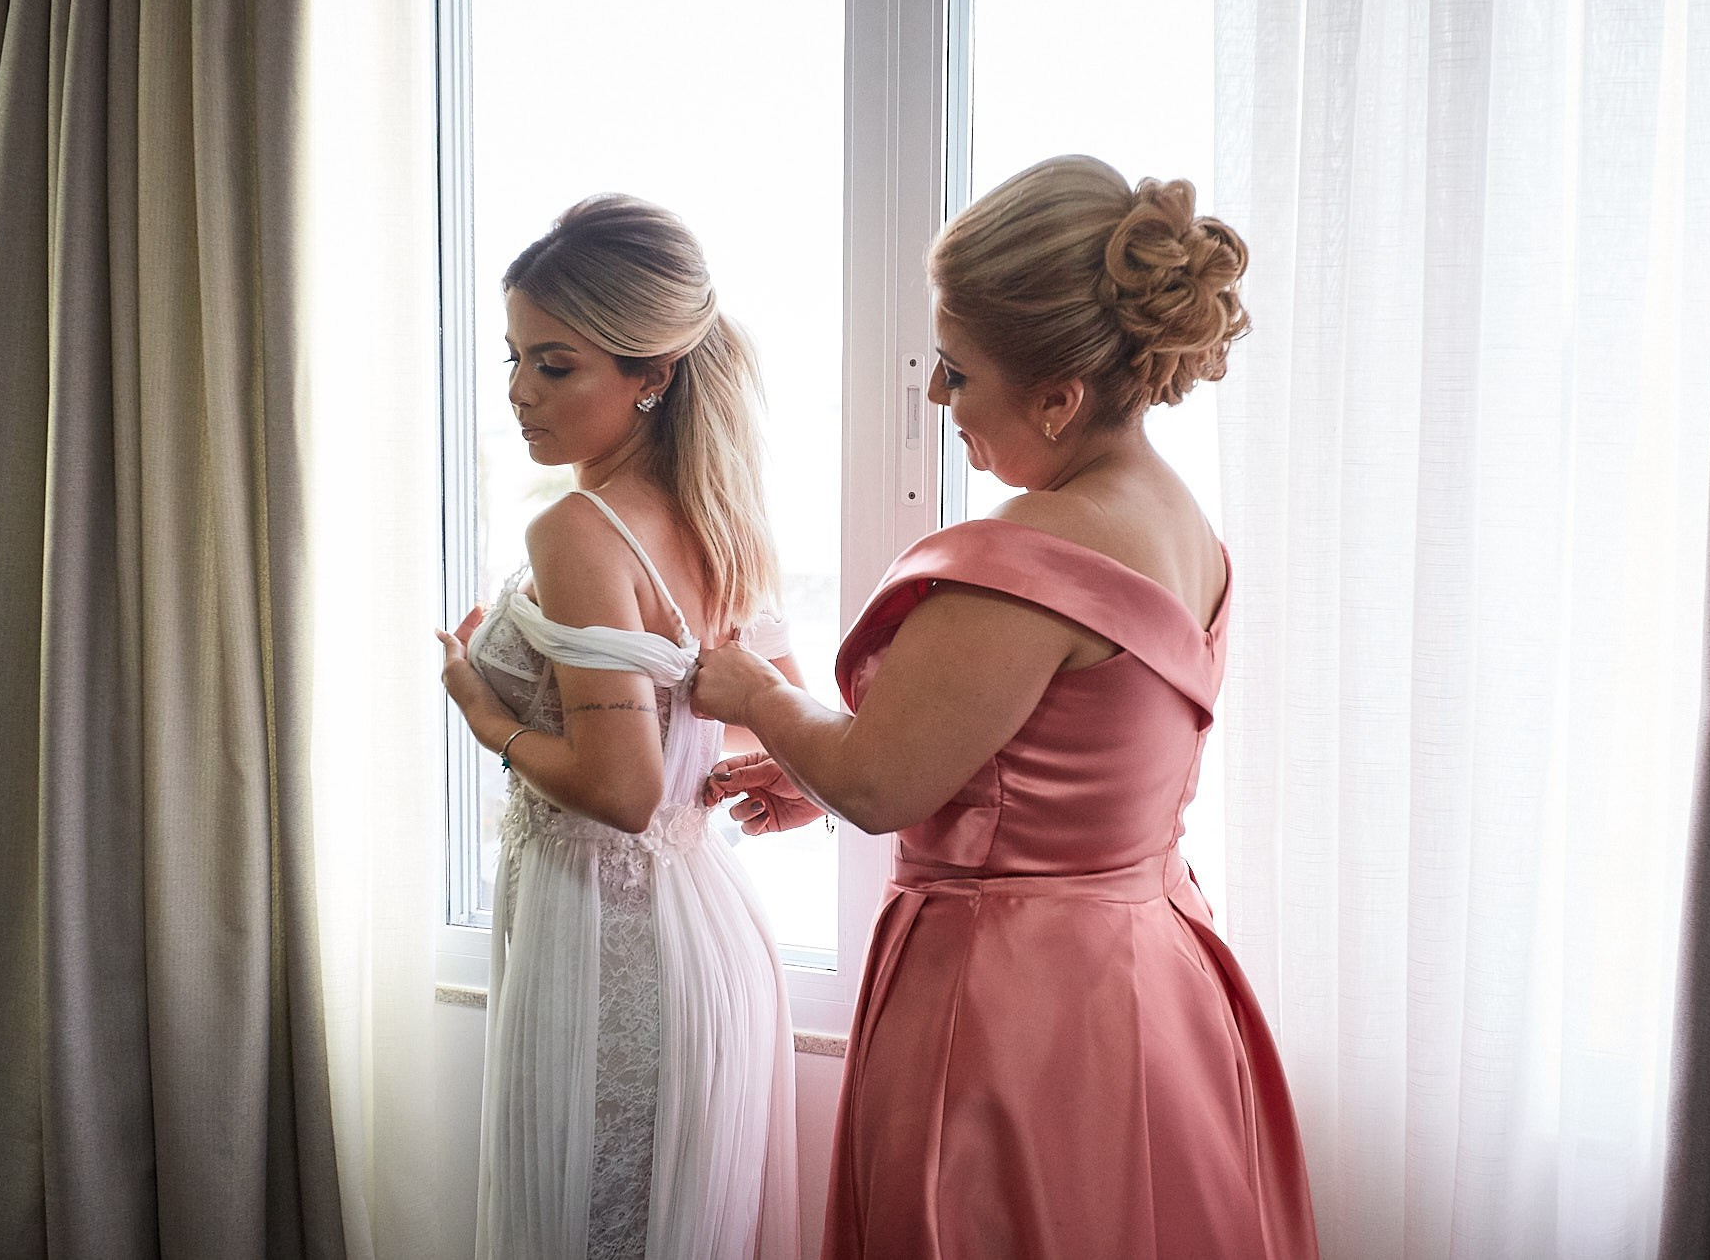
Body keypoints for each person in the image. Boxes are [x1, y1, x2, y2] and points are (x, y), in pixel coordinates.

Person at [691, 156, 1318, 1259]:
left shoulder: (1029, 557)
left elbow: (878, 783)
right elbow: (1049, 761)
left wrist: (758, 693)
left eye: (955, 370)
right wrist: (813, 766)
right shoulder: (1182, 525)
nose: (937, 399)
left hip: (1014, 1002)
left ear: (1059, 396)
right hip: (1151, 974)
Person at [435, 194, 801, 1260]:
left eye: (555, 366)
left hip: (609, 944)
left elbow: (622, 791)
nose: (518, 392)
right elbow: (770, 718)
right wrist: (694, 756)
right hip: (707, 930)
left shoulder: (577, 529)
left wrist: (486, 715)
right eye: (513, 358)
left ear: (653, 374)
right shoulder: (720, 515)